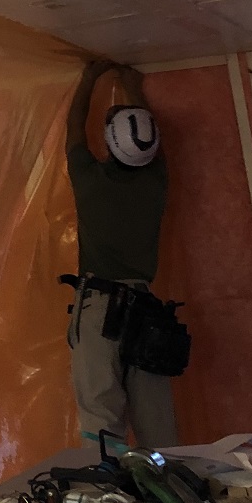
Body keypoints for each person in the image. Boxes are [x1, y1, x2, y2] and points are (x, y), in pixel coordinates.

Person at [62, 58, 179, 449]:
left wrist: (89, 78)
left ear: (110, 144)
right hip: (145, 313)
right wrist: (134, 88)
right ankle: (168, 484)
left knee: (102, 427)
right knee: (158, 431)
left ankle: (111, 486)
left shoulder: (89, 181)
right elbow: (148, 139)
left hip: (100, 310)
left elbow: (74, 128)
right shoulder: (156, 182)